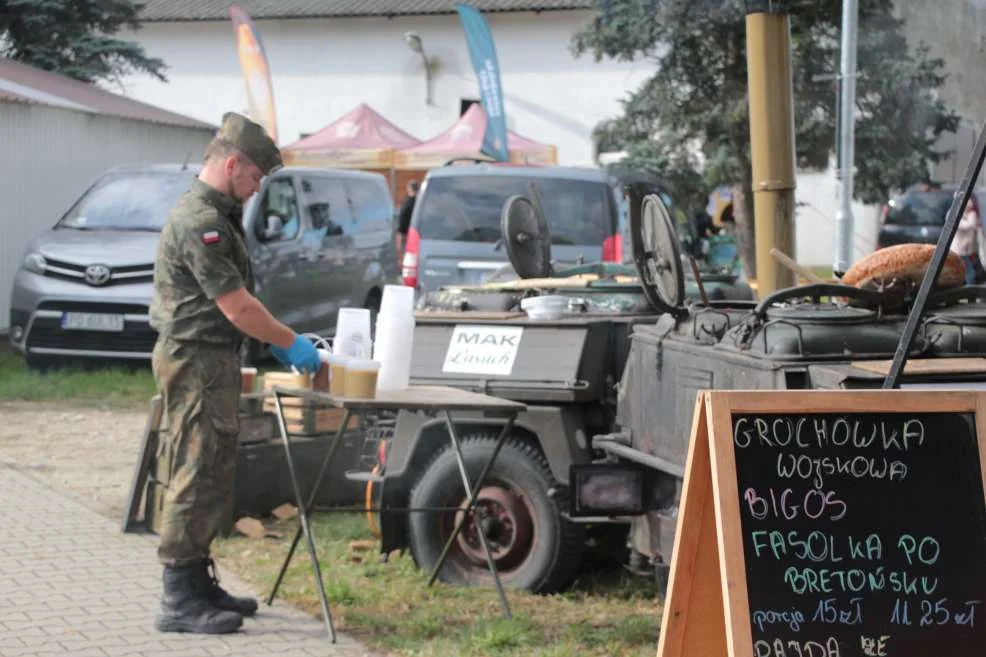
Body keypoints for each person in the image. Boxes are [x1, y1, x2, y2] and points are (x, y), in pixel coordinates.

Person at [149, 112, 322, 635]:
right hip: (195, 358)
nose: (255, 190)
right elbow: (236, 306)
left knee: (215, 465)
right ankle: (178, 596)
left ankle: (198, 581)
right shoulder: (199, 222)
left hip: (211, 359)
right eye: (253, 178)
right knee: (193, 468)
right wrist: (289, 342)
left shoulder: (216, 215)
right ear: (231, 164)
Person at [950, 196, 979, 286]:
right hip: (959, 249)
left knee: (968, 271)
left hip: (968, 248)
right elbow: (962, 225)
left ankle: (969, 290)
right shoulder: (953, 213)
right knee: (965, 271)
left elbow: (973, 225)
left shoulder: (971, 214)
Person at [396, 179, 419, 252]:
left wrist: (400, 232)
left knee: (406, 253)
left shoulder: (411, 201)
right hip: (408, 232)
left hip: (407, 233)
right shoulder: (413, 200)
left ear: (410, 188)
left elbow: (404, 217)